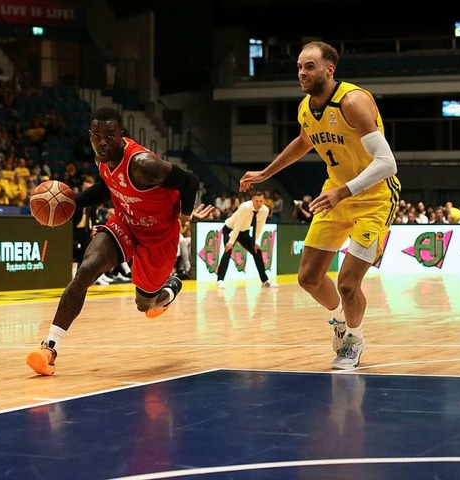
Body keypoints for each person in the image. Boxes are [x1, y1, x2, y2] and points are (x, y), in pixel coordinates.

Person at [239, 41, 400, 370]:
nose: (302, 72)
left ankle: (353, 340)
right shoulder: (306, 108)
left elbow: (387, 163)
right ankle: (340, 320)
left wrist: (344, 191)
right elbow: (303, 141)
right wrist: (265, 173)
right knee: (309, 278)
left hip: (375, 198)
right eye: (299, 66)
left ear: (330, 69)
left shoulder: (352, 102)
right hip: (336, 193)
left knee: (347, 283)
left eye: (309, 66)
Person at [26, 107, 213, 375]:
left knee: (145, 305)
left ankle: (169, 289)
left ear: (121, 135)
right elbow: (109, 186)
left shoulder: (143, 164)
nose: (102, 142)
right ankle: (49, 348)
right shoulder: (101, 159)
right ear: (90, 135)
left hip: (158, 236)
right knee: (86, 270)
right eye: (97, 136)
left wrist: (185, 215)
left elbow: (190, 181)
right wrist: (74, 202)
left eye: (109, 136)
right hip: (125, 222)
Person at [216, 191, 278, 289]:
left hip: (244, 231)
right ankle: (220, 280)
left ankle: (265, 280)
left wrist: (254, 242)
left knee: (257, 252)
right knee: (227, 251)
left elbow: (259, 226)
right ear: (252, 200)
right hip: (230, 229)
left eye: (261, 201)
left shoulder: (265, 210)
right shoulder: (245, 207)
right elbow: (238, 224)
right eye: (256, 201)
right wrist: (231, 242)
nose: (259, 204)